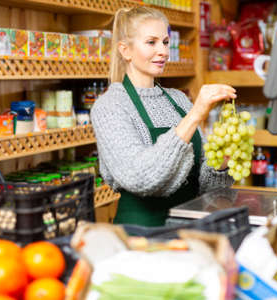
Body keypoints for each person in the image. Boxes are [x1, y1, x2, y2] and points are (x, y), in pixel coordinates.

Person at [91, 6, 236, 226]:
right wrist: (194, 116)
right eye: (152, 42)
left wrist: (222, 163)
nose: (164, 51)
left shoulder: (178, 99)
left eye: (165, 42)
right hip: (142, 234)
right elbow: (141, 177)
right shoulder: (109, 106)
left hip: (190, 225)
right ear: (125, 50)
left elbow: (207, 187)